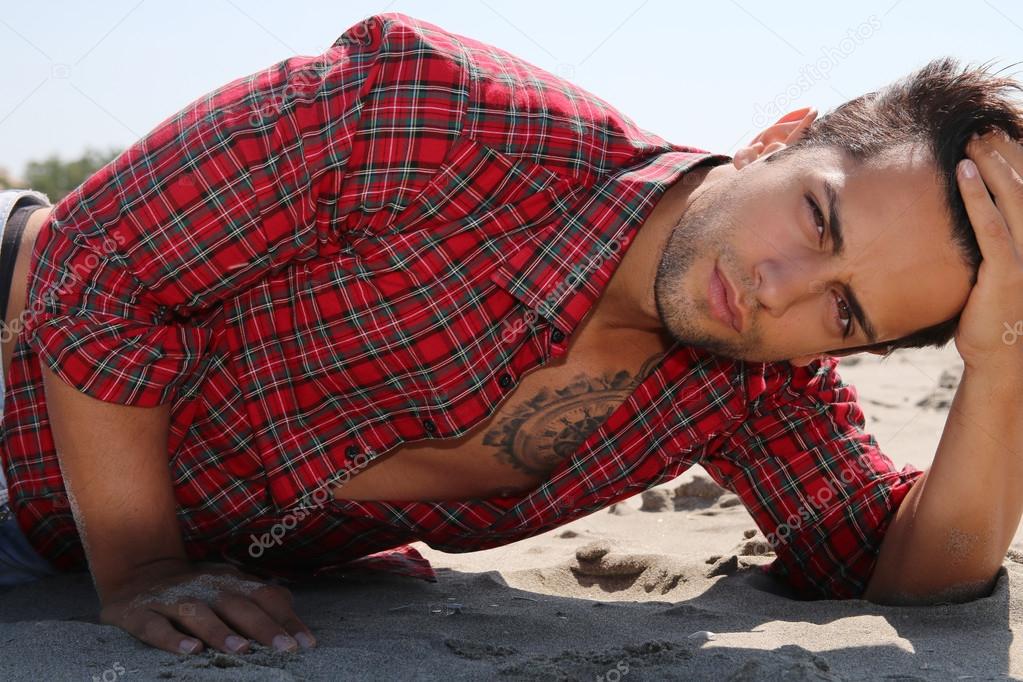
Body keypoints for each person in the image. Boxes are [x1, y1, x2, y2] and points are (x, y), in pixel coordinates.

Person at [1, 11, 1022, 657]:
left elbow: (901, 565)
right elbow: (95, 265)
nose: (778, 289)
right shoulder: (433, 112)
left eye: (843, 311)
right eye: (817, 217)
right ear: (776, 139)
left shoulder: (752, 386)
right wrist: (138, 568)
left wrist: (1006, 356)